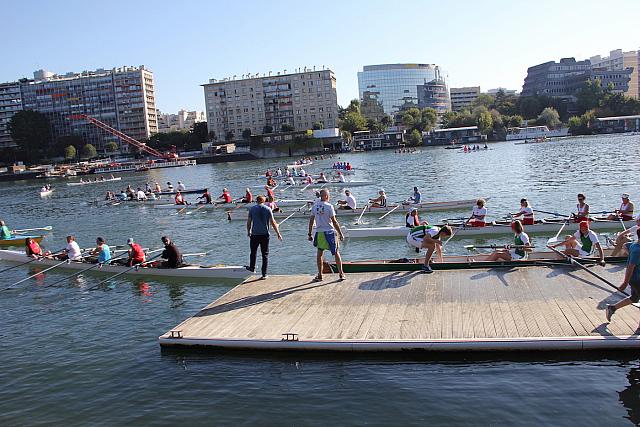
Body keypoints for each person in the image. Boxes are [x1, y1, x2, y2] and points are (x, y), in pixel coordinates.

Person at [308, 189, 345, 281]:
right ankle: (341, 274)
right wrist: (340, 233)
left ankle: (320, 275)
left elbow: (311, 220)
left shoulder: (315, 206)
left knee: (320, 253)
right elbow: (334, 221)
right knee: (336, 252)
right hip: (329, 232)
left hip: (319, 232)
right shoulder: (329, 206)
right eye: (328, 195)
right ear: (326, 196)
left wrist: (309, 233)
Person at [606, 228, 640, 324]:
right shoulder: (637, 250)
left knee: (634, 298)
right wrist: (625, 283)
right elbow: (630, 267)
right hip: (636, 279)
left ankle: (612, 308)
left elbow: (625, 245)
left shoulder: (633, 245)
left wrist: (629, 254)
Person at [246, 195, 282, 279]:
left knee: (253, 252)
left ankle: (252, 268)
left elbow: (249, 222)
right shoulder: (268, 209)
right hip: (265, 234)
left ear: (257, 201)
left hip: (255, 234)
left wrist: (248, 231)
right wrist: (278, 233)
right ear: (263, 201)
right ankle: (264, 274)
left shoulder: (252, 209)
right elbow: (273, 222)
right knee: (265, 254)